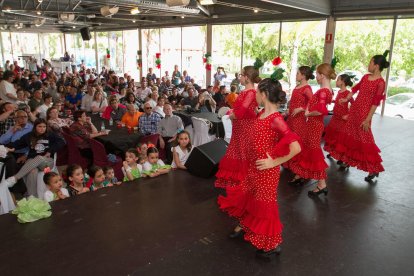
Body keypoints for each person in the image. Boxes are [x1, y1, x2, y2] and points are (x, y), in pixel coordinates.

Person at [218, 78, 301, 260]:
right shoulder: (261, 113)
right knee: (249, 197)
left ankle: (273, 244)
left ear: (263, 94)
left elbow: (296, 148)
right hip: (253, 167)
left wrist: (274, 162)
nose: (254, 95)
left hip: (266, 171)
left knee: (265, 206)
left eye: (257, 93)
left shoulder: (276, 119)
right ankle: (245, 225)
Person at [327, 53, 389, 181]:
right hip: (354, 111)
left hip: (364, 115)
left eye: (370, 62)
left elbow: (375, 103)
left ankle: (374, 169)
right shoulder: (366, 77)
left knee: (364, 140)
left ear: (376, 66)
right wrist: (346, 99)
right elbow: (355, 90)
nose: (368, 64)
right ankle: (347, 160)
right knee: (349, 136)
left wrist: (367, 119)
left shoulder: (380, 83)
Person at [285, 63, 335, 196]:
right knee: (310, 151)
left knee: (314, 153)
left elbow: (322, 110)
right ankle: (305, 176)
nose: (316, 76)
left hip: (315, 125)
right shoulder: (326, 89)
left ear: (322, 75)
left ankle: (321, 184)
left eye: (318, 74)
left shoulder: (324, 91)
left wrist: (307, 112)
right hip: (314, 125)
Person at [215, 65, 260, 188]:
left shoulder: (250, 92)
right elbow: (251, 110)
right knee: (238, 153)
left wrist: (230, 115)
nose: (239, 77)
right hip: (240, 128)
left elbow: (240, 113)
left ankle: (243, 182)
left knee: (242, 153)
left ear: (246, 77)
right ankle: (239, 182)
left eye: (241, 75)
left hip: (245, 128)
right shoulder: (246, 91)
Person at [5, 119, 66, 197]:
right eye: (39, 126)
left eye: (44, 126)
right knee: (32, 171)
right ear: (35, 127)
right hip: (32, 161)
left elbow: (62, 141)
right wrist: (9, 148)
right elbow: (17, 143)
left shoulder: (50, 134)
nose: (42, 128)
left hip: (47, 162)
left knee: (40, 158)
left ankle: (15, 178)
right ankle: (32, 197)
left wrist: (50, 151)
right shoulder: (29, 136)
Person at [324, 74, 354, 160]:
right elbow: (338, 102)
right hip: (335, 118)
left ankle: (342, 157)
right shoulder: (339, 92)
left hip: (342, 119)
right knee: (333, 136)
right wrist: (332, 101)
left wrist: (348, 115)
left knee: (340, 138)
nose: (336, 81)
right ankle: (333, 152)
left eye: (338, 80)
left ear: (343, 82)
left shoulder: (348, 93)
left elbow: (354, 105)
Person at [286, 66, 314, 140]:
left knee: (296, 139)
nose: (296, 75)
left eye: (297, 73)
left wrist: (302, 108)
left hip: (299, 119)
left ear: (303, 76)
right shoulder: (297, 86)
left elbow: (313, 102)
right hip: (292, 117)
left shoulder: (307, 88)